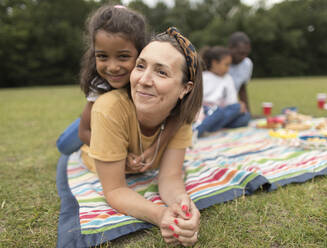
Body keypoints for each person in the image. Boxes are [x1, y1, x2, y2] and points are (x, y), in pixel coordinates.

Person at [80, 27, 203, 246]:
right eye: (140, 66)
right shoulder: (108, 109)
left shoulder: (181, 117)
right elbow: (116, 189)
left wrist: (182, 204)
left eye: (161, 72)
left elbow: (170, 177)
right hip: (96, 148)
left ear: (185, 89)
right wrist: (160, 215)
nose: (143, 80)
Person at [56, 4, 177, 171]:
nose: (112, 67)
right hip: (93, 122)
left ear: (142, 52)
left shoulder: (152, 82)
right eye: (103, 56)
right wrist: (120, 153)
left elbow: (176, 118)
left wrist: (152, 150)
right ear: (94, 54)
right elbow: (84, 132)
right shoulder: (100, 85)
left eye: (123, 56)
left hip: (118, 124)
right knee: (65, 146)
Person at [195, 46, 250, 137]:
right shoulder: (204, 77)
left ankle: (211, 127)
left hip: (222, 111)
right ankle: (198, 130)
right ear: (215, 63)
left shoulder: (228, 79)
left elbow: (231, 103)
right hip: (205, 111)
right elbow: (196, 101)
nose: (228, 68)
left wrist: (239, 107)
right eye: (226, 64)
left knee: (244, 116)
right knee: (218, 111)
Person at [228, 31, 253, 113]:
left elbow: (242, 89)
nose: (243, 57)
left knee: (245, 117)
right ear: (230, 48)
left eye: (246, 53)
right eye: (240, 53)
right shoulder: (220, 63)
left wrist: (248, 112)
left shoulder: (247, 63)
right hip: (216, 105)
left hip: (232, 106)